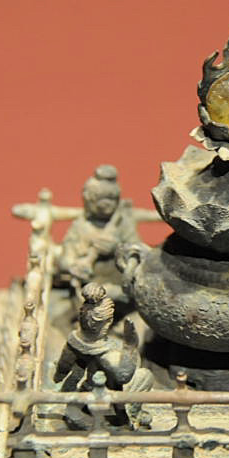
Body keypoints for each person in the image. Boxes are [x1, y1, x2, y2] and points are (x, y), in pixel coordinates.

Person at [53, 283, 153, 430]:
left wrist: (58, 376)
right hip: (100, 393)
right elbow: (124, 375)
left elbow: (63, 367)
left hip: (84, 389)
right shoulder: (107, 354)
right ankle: (131, 414)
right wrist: (130, 346)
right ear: (107, 322)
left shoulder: (75, 340)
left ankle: (117, 412)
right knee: (145, 376)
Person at [58, 165, 141, 315]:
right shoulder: (80, 227)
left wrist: (117, 248)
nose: (106, 205)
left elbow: (138, 252)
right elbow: (64, 260)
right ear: (89, 200)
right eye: (100, 199)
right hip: (89, 289)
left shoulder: (123, 224)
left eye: (112, 199)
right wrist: (75, 266)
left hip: (118, 287)